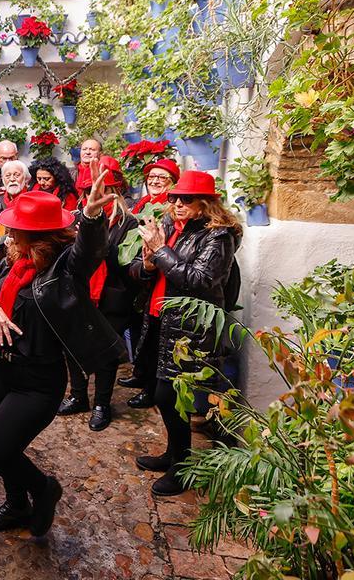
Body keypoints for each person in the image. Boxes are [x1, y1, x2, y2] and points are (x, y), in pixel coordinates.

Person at [0, 165, 127, 537]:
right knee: (2, 443)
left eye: (16, 228)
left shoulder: (64, 269)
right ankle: (16, 505)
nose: (9, 232)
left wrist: (91, 217)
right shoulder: (14, 258)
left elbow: (88, 253)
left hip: (39, 379)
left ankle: (43, 489)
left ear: (35, 233)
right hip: (3, 367)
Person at [131, 170, 242, 496]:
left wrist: (160, 251)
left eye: (186, 199)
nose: (178, 204)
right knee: (163, 395)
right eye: (175, 198)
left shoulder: (218, 237)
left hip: (190, 328)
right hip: (160, 319)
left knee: (172, 397)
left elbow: (199, 280)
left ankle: (181, 467)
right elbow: (138, 271)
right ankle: (173, 455)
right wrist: (147, 264)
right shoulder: (169, 227)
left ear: (206, 203)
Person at [58, 156, 138, 431]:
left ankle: (102, 403)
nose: (90, 194)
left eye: (99, 188)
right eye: (86, 190)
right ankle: (78, 395)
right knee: (72, 345)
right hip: (80, 291)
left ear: (113, 191)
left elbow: (126, 263)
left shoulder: (128, 223)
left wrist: (95, 239)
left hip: (111, 296)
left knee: (106, 354)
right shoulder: (78, 216)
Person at [120, 158, 179, 400]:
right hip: (141, 276)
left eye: (161, 177)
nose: (154, 181)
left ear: (173, 183)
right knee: (141, 332)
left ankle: (149, 389)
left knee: (155, 339)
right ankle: (141, 373)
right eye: (151, 177)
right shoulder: (142, 204)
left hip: (159, 281)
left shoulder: (170, 210)